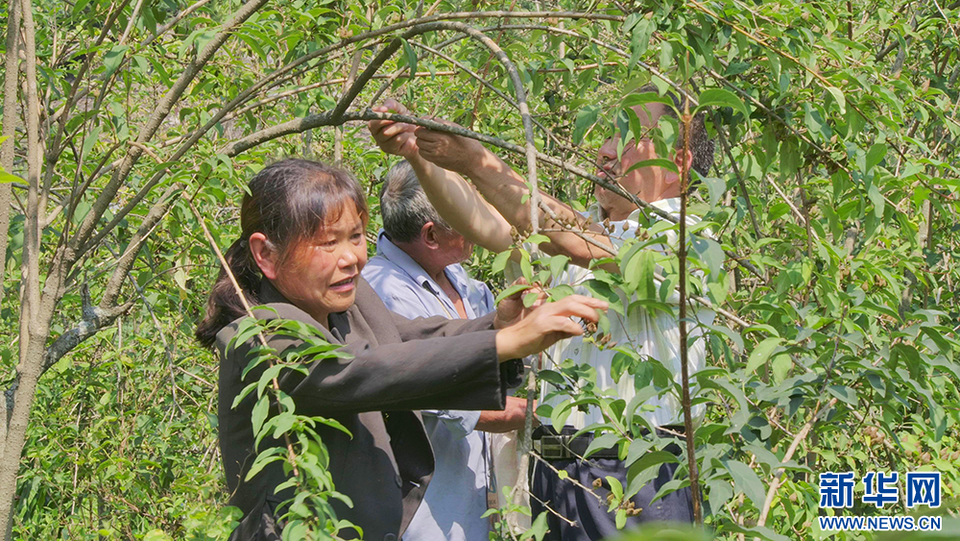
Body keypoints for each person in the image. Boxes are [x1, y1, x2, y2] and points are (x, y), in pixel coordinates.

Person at [194, 158, 608, 541]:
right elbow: (357, 370)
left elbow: (413, 339)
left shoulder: (350, 303)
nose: (351, 258)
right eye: (327, 243)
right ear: (266, 254)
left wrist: (497, 325)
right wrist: (501, 344)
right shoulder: (258, 333)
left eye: (355, 237)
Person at [368, 88, 716, 540]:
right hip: (554, 473)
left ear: (680, 160)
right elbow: (485, 221)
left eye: (630, 138)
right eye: (610, 134)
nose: (607, 151)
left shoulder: (688, 239)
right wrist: (419, 153)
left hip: (638, 473)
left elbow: (575, 239)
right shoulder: (579, 229)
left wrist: (478, 161)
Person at [362, 160, 528, 541]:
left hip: (474, 500)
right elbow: (451, 399)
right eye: (462, 216)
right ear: (431, 235)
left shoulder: (460, 277)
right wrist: (546, 416)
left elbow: (500, 354)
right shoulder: (383, 290)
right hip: (428, 509)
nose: (475, 223)